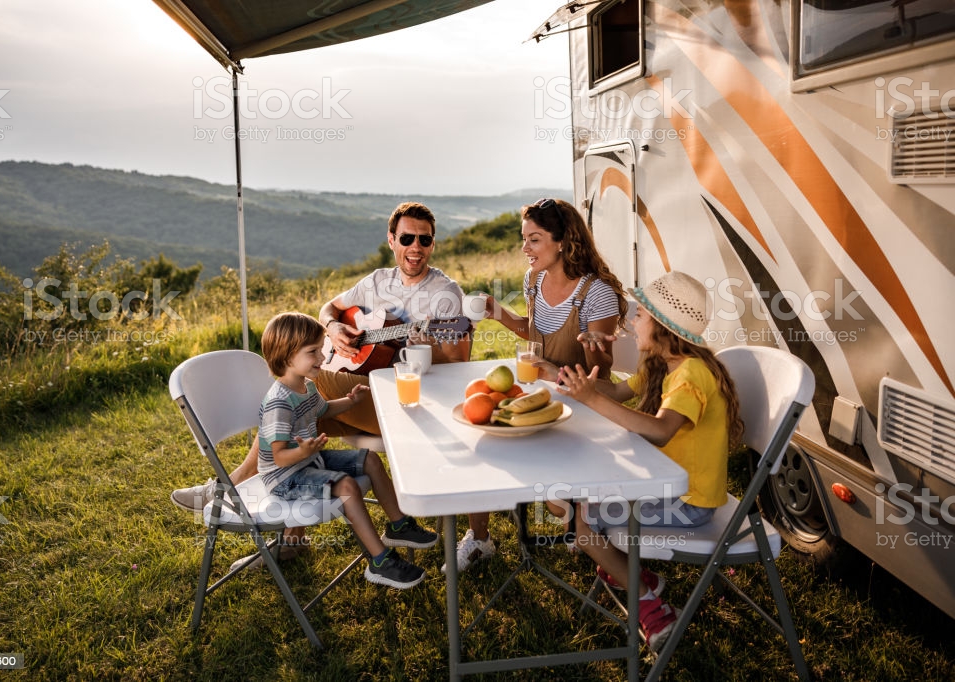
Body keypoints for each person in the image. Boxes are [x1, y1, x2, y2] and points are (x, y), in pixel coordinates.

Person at [171, 202, 470, 561]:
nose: (416, 247)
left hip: (411, 404)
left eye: (425, 240)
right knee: (300, 417)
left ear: (433, 244)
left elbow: (459, 361)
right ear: (392, 240)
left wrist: (430, 347)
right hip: (361, 395)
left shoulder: (445, 293)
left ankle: (223, 489)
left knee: (300, 388)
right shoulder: (376, 282)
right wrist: (333, 327)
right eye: (407, 238)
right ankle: (285, 535)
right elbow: (329, 308)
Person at [552, 270, 744, 652]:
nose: (632, 321)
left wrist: (591, 400)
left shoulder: (690, 374)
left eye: (640, 315)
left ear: (663, 326)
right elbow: (617, 392)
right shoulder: (664, 365)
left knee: (580, 517)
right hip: (662, 486)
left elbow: (660, 430)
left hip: (689, 503)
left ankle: (647, 600)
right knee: (562, 499)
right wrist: (568, 381)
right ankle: (633, 574)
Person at [447, 197, 628, 572]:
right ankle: (480, 537)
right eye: (523, 239)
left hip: (585, 408)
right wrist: (499, 313)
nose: (524, 249)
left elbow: (601, 372)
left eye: (534, 239)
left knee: (550, 493)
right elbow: (533, 329)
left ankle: (583, 521)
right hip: (540, 396)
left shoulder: (597, 293)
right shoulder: (534, 279)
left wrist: (585, 354)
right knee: (480, 440)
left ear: (562, 241)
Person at [250, 311, 437, 588]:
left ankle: (398, 525)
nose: (322, 358)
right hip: (285, 476)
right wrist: (302, 453)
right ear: (288, 357)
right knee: (347, 485)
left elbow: (325, 410)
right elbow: (278, 457)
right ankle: (380, 561)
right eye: (313, 352)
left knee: (371, 460)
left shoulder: (306, 386)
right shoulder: (279, 402)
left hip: (307, 461)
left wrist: (349, 401)